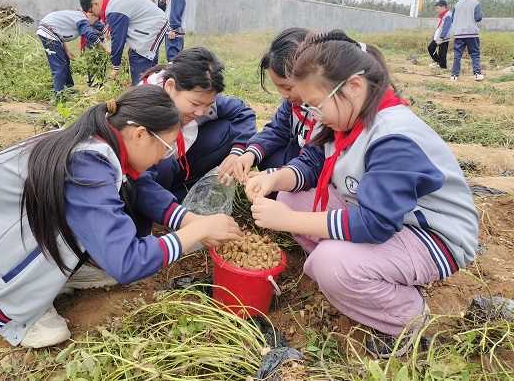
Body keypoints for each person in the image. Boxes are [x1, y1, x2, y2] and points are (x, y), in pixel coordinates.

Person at [0, 85, 244, 348]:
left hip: (6, 234)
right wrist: (194, 232)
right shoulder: (87, 162)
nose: (162, 159)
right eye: (165, 149)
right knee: (103, 280)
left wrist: (188, 220)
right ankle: (7, 300)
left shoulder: (103, 140)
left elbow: (140, 185)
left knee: (112, 262)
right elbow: (127, 262)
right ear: (140, 134)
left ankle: (52, 278)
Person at [245, 30, 479, 358]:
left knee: (330, 263)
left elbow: (376, 223)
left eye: (316, 106)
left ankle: (407, 318)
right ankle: (362, 271)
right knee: (289, 197)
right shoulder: (345, 119)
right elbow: (312, 164)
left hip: (432, 236)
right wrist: (273, 178)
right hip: (382, 217)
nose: (315, 116)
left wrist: (291, 221)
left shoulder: (393, 135)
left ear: (354, 86)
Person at [140, 47, 256, 201]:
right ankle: (161, 203)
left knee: (225, 130)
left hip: (181, 160)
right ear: (170, 86)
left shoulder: (202, 97)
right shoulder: (143, 107)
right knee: (165, 165)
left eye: (208, 104)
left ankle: (183, 192)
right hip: (150, 172)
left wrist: (238, 152)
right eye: (195, 104)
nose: (201, 112)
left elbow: (244, 113)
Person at [232, 28, 319, 184]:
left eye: (288, 88)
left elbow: (318, 159)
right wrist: (251, 153)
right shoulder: (292, 103)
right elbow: (277, 129)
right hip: (302, 159)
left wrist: (274, 176)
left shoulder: (327, 111)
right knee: (266, 156)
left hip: (319, 169)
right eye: (278, 88)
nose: (284, 95)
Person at [79, 0, 169, 86]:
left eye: (91, 12)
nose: (94, 15)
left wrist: (116, 66)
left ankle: (141, 93)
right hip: (150, 24)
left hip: (153, 24)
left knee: (139, 57)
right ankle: (151, 89)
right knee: (143, 61)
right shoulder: (113, 3)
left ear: (95, 3)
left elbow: (118, 39)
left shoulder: (113, 9)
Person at [37, 9, 111, 97]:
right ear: (91, 15)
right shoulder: (83, 20)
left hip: (51, 32)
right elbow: (90, 35)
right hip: (48, 33)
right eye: (96, 21)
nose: (93, 24)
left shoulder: (79, 17)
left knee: (65, 61)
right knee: (59, 66)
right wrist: (105, 48)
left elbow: (59, 33)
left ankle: (69, 88)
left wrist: (67, 51)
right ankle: (58, 96)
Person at [451, 0, 483, 82]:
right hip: (472, 33)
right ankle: (477, 74)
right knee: (475, 54)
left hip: (459, 34)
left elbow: (452, 19)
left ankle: (454, 75)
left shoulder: (456, 5)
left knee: (457, 55)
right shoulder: (475, 3)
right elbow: (478, 18)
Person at [427, 0, 452, 70]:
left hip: (444, 37)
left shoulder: (448, 15)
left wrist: (441, 38)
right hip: (438, 36)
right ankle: (438, 61)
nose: (436, 10)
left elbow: (446, 28)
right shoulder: (442, 15)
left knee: (442, 52)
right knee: (431, 48)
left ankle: (443, 67)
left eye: (438, 8)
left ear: (443, 7)